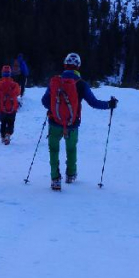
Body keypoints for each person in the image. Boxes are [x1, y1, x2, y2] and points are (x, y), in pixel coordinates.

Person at [41, 52, 118, 191]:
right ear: (78, 66)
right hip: (72, 124)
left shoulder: (55, 81)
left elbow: (44, 101)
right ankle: (70, 174)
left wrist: (54, 108)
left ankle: (55, 179)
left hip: (54, 122)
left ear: (65, 64)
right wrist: (109, 104)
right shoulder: (81, 84)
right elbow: (93, 103)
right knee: (71, 149)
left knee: (53, 150)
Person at [0, 65, 21, 145]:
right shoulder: (15, 85)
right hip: (13, 109)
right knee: (11, 122)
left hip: (2, 108)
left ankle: (3, 136)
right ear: (10, 73)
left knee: (3, 123)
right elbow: (18, 93)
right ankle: (8, 134)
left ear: (2, 73)